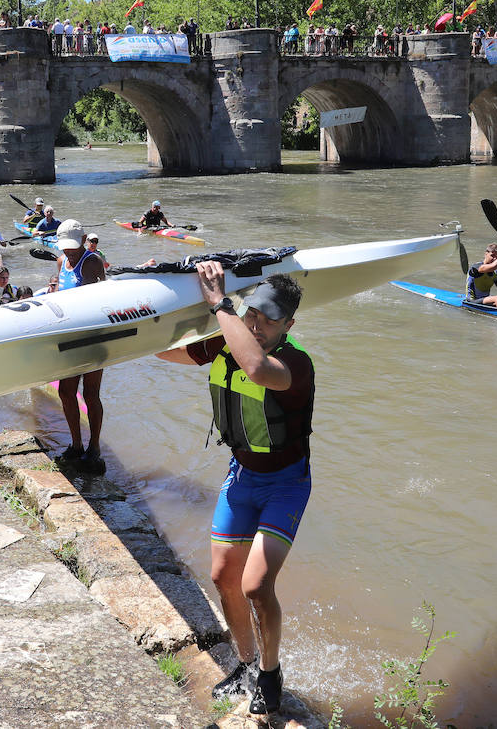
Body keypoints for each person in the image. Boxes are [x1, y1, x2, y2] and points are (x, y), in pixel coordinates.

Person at [154, 269, 315, 717]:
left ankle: (269, 672)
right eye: (253, 312)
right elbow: (166, 353)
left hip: (285, 484)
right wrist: (128, 321)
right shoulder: (228, 339)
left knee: (257, 586)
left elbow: (257, 369)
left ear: (288, 326)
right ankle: (244, 666)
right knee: (225, 578)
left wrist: (219, 305)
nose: (257, 323)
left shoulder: (295, 364)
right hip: (241, 478)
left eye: (269, 318)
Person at [47, 220, 106, 470]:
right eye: (65, 248)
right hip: (68, 336)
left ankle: (94, 447)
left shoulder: (92, 262)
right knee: (65, 392)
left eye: (73, 247)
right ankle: (76, 445)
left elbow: (98, 301)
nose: (69, 252)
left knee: (91, 394)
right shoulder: (61, 262)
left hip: (92, 337)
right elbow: (60, 294)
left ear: (83, 241)